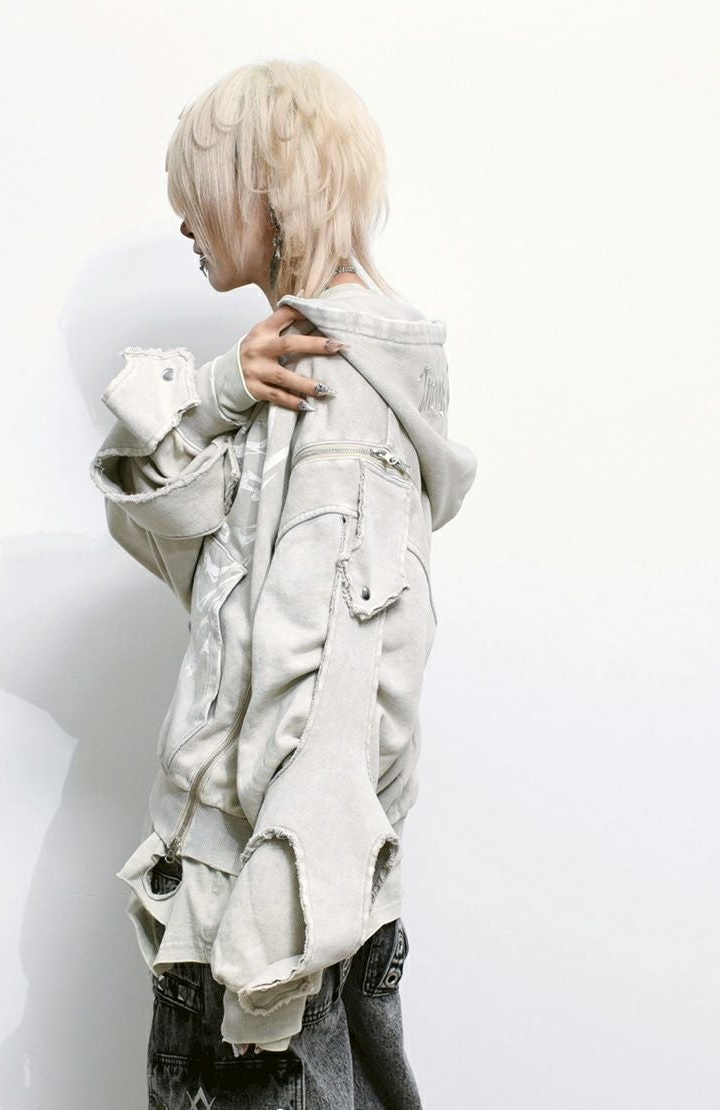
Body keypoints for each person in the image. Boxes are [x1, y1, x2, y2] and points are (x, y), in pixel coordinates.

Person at [89, 59, 478, 1109]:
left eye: (199, 191)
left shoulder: (337, 386)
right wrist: (220, 389)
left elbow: (336, 686)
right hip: (249, 914)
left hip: (264, 937)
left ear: (270, 185)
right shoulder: (288, 365)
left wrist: (265, 964)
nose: (183, 220)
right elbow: (160, 523)